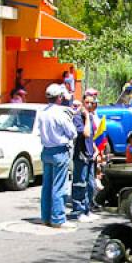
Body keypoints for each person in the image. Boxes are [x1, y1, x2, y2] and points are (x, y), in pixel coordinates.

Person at [37, 83, 76, 228]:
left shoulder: (42, 112)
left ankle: (45, 217)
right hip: (60, 150)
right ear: (59, 97)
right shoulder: (61, 113)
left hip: (46, 150)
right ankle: (58, 218)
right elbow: (72, 133)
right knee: (59, 186)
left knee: (46, 185)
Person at [70, 92, 97, 222]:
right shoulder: (78, 117)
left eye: (92, 103)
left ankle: (87, 209)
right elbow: (86, 134)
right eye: (87, 102)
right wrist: (86, 117)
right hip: (81, 155)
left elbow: (91, 137)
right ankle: (78, 210)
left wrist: (95, 149)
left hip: (90, 154)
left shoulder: (90, 117)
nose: (89, 105)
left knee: (90, 184)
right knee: (80, 183)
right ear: (82, 103)